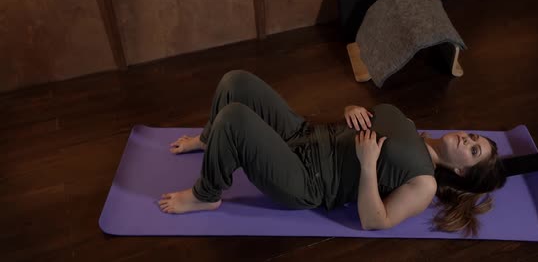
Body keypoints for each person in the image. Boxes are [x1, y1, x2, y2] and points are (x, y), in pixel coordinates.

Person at [158, 70, 507, 236]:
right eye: (474, 136)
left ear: (462, 171)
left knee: (234, 119)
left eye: (473, 150)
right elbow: (361, 122)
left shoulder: (425, 183)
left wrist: (368, 166)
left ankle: (206, 194)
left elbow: (376, 221)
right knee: (236, 83)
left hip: (307, 179)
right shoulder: (414, 129)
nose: (467, 139)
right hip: (305, 134)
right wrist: (351, 108)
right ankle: (211, 139)